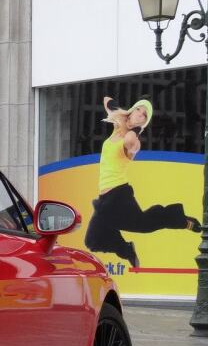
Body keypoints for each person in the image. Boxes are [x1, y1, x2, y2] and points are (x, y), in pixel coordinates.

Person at [83, 97, 198, 269]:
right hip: (106, 197)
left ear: (144, 122)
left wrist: (133, 136)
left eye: (145, 116)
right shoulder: (117, 127)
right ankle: (127, 249)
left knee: (143, 224)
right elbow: (107, 100)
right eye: (139, 110)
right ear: (133, 110)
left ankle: (180, 220)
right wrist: (117, 111)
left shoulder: (132, 137)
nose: (141, 115)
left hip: (118, 195)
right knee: (92, 241)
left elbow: (132, 146)